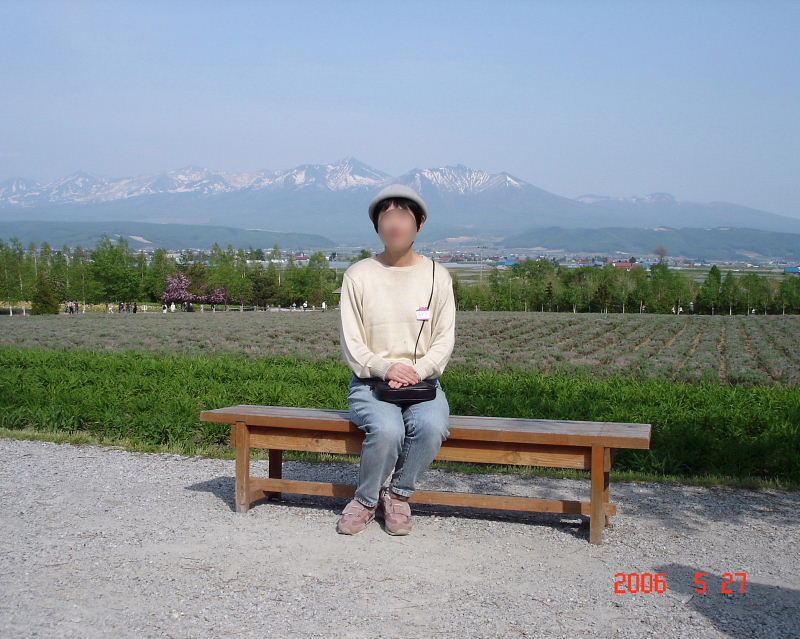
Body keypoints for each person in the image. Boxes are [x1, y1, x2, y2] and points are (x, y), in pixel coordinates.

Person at [336, 184, 456, 536]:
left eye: (403, 216)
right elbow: (352, 342)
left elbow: (444, 338)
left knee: (432, 427)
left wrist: (416, 371)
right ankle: (365, 500)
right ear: (377, 225)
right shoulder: (359, 275)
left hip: (423, 383)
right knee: (388, 430)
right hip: (370, 383)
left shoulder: (437, 276)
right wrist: (387, 368)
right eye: (387, 217)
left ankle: (398, 495)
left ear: (420, 223)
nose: (395, 224)